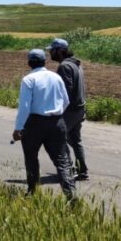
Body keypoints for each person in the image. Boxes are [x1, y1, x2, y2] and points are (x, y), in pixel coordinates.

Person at [12, 49, 75, 199]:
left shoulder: (28, 79)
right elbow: (66, 101)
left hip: (35, 123)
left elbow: (24, 107)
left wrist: (18, 128)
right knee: (62, 160)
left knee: (31, 158)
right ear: (45, 62)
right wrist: (57, 114)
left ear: (29, 63)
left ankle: (32, 192)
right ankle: (70, 194)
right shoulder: (56, 77)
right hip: (57, 122)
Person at [49, 38, 88, 180]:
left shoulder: (64, 66)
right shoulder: (76, 64)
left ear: (60, 51)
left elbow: (66, 90)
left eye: (52, 50)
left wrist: (57, 111)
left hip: (69, 110)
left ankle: (67, 170)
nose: (50, 53)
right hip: (79, 108)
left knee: (59, 138)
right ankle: (82, 171)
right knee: (75, 140)